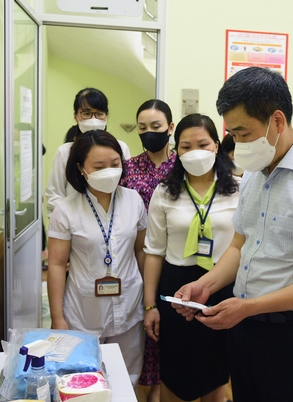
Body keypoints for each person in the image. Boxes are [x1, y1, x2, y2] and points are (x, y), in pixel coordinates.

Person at [175, 67, 293, 402]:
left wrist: (248, 307)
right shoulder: (256, 174)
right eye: (234, 135)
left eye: (244, 134)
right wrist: (207, 284)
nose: (238, 144)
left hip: (292, 336)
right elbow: (240, 245)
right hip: (245, 329)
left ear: (277, 121)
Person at [143, 114, 240, 402]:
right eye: (186, 146)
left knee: (215, 375)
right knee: (175, 374)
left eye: (203, 143)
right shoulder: (164, 192)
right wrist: (150, 305)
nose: (195, 151)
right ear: (176, 150)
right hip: (176, 288)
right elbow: (154, 252)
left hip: (223, 285)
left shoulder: (239, 189)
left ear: (217, 145)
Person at [47, 129, 147, 386]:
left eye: (115, 164)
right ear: (81, 169)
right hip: (83, 311)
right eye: (99, 166)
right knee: (82, 380)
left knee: (127, 378)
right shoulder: (66, 209)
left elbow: (140, 251)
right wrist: (57, 317)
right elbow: (57, 265)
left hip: (129, 307)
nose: (110, 171)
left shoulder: (134, 200)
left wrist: (148, 303)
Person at [119, 99, 175, 402]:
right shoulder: (127, 169)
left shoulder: (183, 166)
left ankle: (162, 393)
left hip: (176, 262)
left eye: (156, 127)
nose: (149, 133)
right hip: (136, 261)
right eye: (143, 128)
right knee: (142, 331)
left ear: (170, 126)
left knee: (169, 335)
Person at [45, 87, 132, 216]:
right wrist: (71, 219)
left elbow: (127, 186)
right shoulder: (64, 152)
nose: (93, 119)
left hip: (113, 218)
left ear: (106, 116)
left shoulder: (120, 147)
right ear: (76, 116)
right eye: (86, 113)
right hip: (74, 223)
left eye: (99, 114)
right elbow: (54, 195)